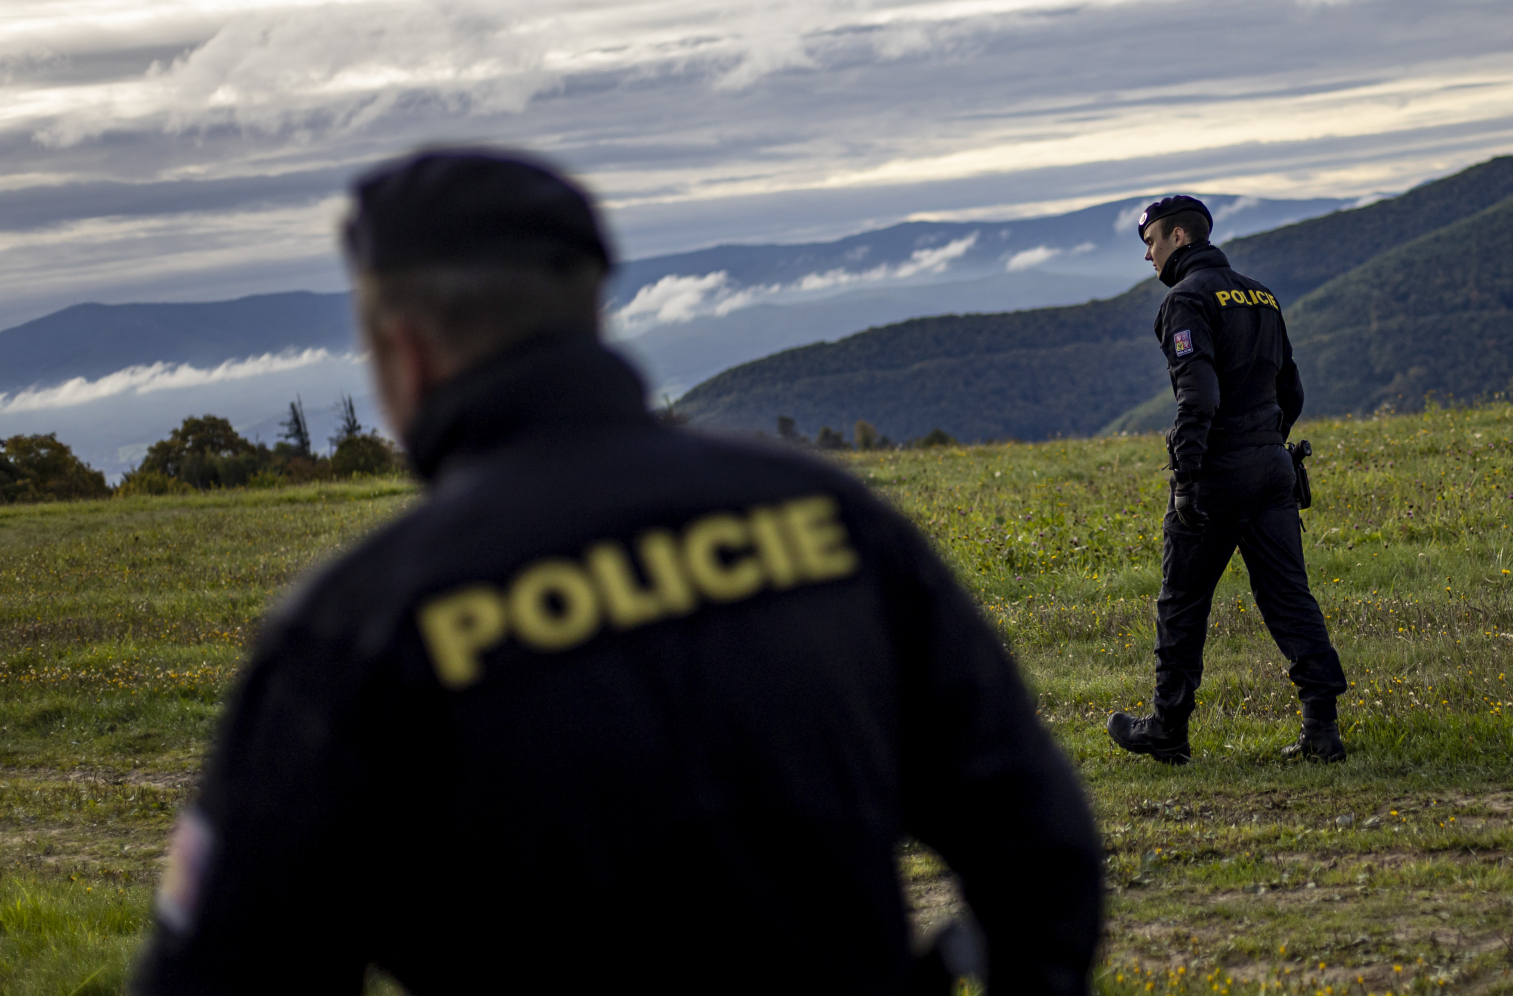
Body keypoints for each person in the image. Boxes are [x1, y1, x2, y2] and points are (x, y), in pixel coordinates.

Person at [134, 148, 1103, 995]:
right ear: (590, 311)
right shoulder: (829, 522)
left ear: (405, 349)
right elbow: (1042, 850)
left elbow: (220, 972)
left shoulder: (359, 631)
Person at [1105, 195, 1349, 765]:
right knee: (1290, 598)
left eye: (1151, 243)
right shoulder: (1261, 294)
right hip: (1272, 468)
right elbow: (1292, 391)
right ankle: (1322, 730)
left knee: (1183, 604)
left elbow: (1199, 395)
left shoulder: (1185, 301)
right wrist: (1269, 442)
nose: (1148, 257)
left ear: (1179, 239)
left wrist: (1187, 476)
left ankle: (1167, 729)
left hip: (1217, 473)